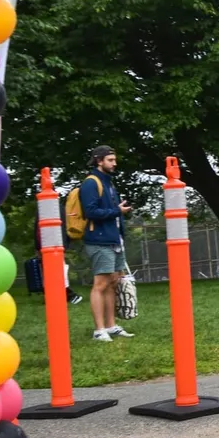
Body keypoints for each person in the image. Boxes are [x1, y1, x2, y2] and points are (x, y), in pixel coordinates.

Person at [80, 145, 134, 342]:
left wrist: (120, 212)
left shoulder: (109, 183)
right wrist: (117, 211)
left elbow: (113, 210)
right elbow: (90, 212)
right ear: (99, 160)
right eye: (110, 160)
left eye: (114, 159)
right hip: (100, 241)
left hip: (114, 239)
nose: (114, 163)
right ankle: (99, 330)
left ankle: (111, 326)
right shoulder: (90, 183)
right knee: (100, 284)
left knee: (113, 282)